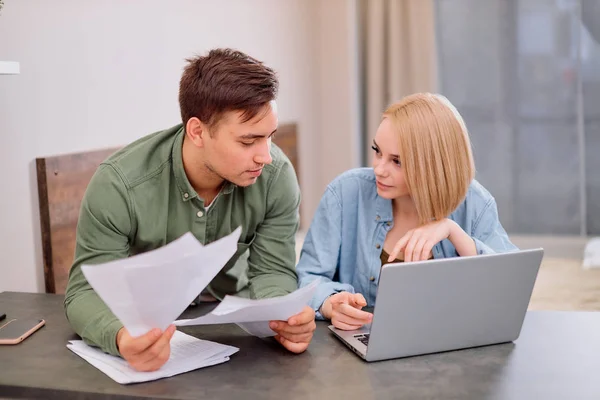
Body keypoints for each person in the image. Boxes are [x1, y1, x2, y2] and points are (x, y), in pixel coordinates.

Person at [64, 48, 316, 372]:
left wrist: (283, 316)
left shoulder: (276, 177)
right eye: (248, 141)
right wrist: (120, 337)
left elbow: (272, 272)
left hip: (234, 332)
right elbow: (85, 291)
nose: (265, 156)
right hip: (149, 329)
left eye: (269, 137)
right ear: (197, 131)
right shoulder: (119, 185)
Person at [296, 92, 517, 331]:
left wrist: (452, 231)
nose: (379, 169)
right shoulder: (345, 193)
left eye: (397, 161)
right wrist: (330, 303)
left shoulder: (474, 202)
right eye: (377, 151)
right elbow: (308, 278)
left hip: (453, 344)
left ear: (434, 165)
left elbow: (510, 286)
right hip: (363, 344)